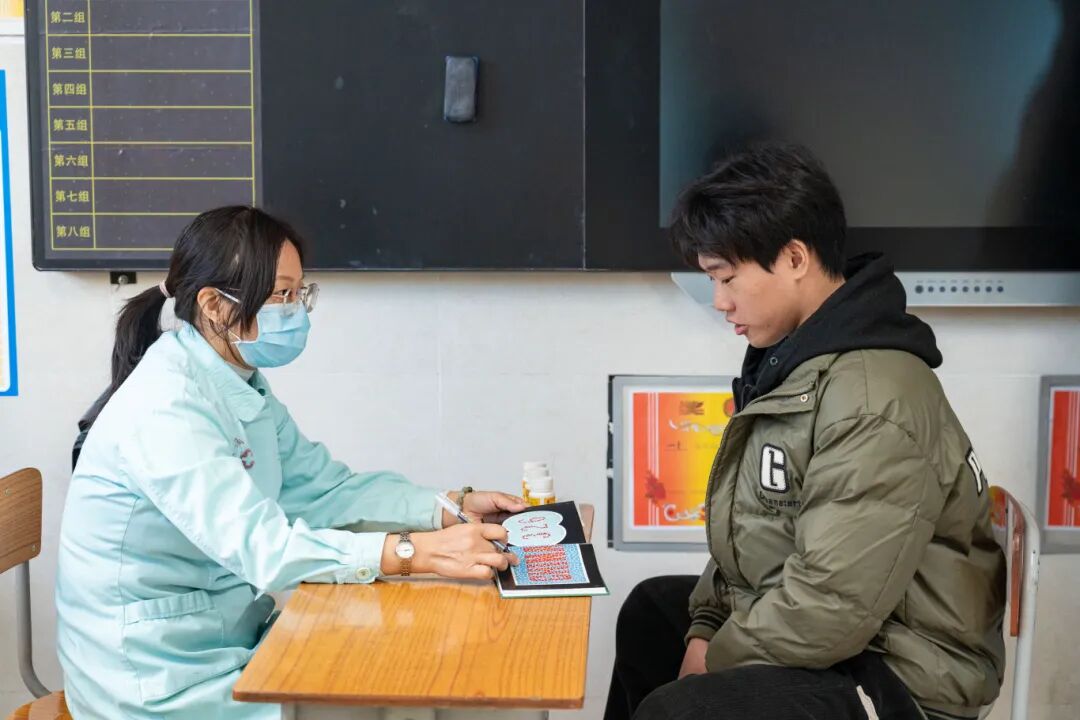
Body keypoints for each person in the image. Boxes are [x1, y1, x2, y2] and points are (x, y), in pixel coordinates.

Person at [55, 206, 526, 720]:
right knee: (393, 686)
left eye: (300, 294)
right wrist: (413, 552)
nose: (295, 311)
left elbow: (325, 491)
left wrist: (447, 508)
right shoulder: (165, 407)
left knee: (410, 659)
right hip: (156, 678)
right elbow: (264, 549)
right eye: (281, 295)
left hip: (222, 636)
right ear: (214, 305)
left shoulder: (237, 382)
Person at [605, 144, 1006, 720]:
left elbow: (834, 601)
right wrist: (708, 627)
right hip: (846, 635)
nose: (719, 302)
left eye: (727, 278)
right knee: (652, 612)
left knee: (680, 710)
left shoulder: (871, 398)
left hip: (900, 673)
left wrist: (714, 660)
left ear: (794, 258)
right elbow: (754, 533)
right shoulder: (793, 363)